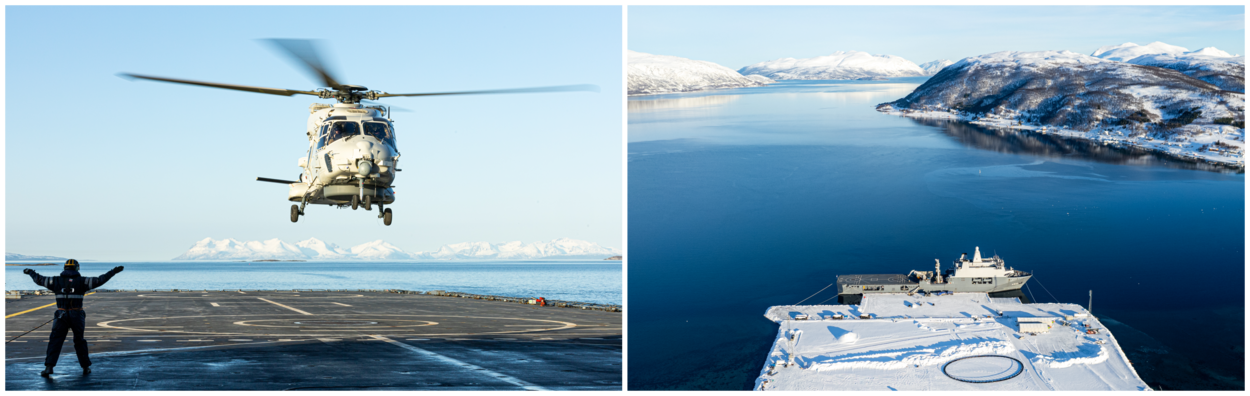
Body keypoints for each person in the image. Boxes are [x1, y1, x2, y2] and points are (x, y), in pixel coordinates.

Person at [23, 259, 123, 377]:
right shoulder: (83, 281)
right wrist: (113, 271)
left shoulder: (54, 281)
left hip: (61, 315)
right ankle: (85, 367)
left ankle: (49, 367)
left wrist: (30, 272)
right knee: (79, 341)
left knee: (55, 340)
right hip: (77, 314)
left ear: (65, 268)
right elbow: (100, 280)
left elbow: (39, 279)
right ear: (77, 268)